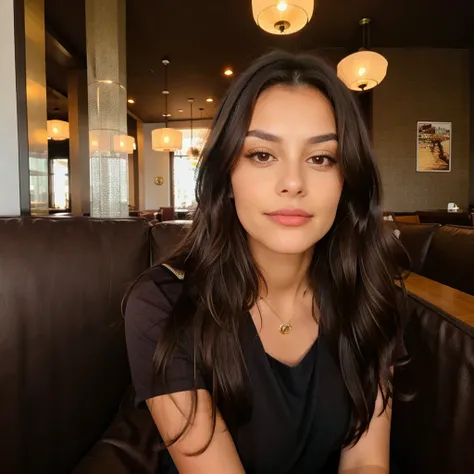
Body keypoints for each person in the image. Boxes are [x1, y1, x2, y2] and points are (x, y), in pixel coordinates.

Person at [124, 50, 407, 474]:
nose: (293, 183)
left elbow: (367, 461)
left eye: (321, 158)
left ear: (346, 181)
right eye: (262, 154)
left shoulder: (372, 294)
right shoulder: (163, 304)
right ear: (227, 175)